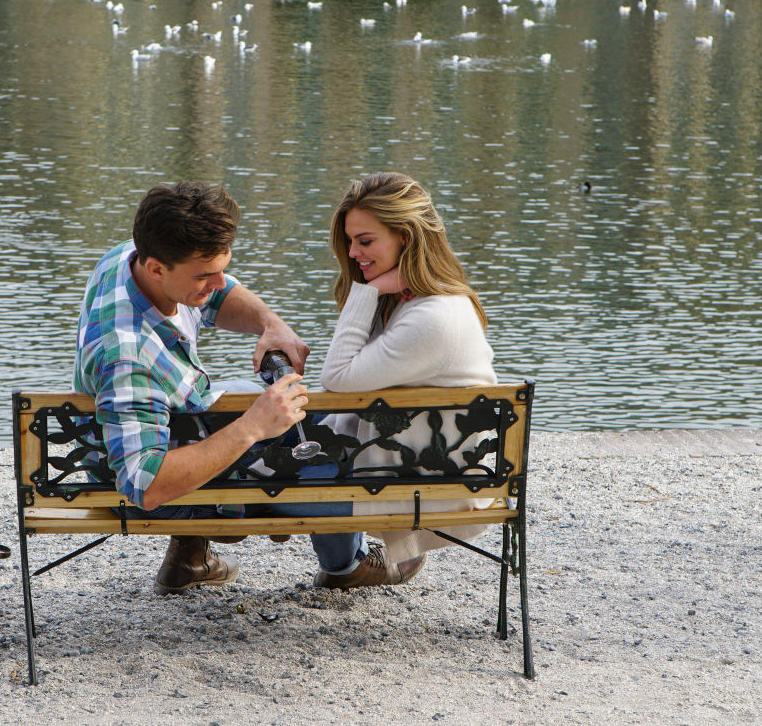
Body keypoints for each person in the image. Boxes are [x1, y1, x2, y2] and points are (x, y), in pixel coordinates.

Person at [74, 181, 423, 595]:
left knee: (244, 397)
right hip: (149, 490)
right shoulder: (128, 357)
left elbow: (218, 296)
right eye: (205, 275)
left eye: (222, 267)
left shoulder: (129, 258)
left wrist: (270, 324)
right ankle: (346, 566)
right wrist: (254, 427)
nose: (219, 282)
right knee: (325, 460)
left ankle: (190, 557)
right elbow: (144, 485)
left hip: (148, 433)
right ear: (156, 268)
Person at [319, 172, 498, 565]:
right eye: (350, 241)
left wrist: (366, 292)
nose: (352, 253)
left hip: (420, 479)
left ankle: (346, 567)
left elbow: (336, 378)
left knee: (242, 444)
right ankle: (345, 567)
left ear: (405, 236)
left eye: (365, 241)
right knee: (256, 414)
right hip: (407, 458)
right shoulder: (414, 301)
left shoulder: (432, 317)